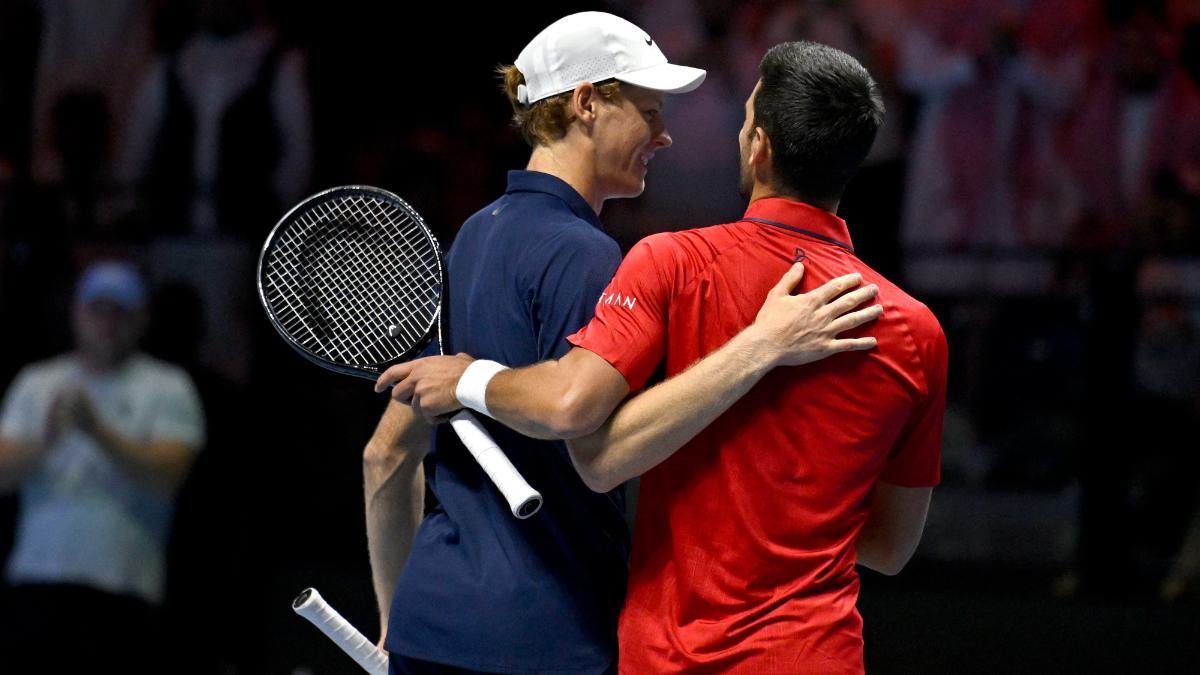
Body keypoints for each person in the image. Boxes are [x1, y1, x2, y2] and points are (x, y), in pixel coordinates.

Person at [382, 41, 947, 673]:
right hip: (816, 653)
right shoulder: (917, 331)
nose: (667, 135)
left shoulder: (670, 262)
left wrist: (469, 379)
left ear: (758, 145)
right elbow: (891, 547)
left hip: (665, 654)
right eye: (650, 112)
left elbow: (594, 453)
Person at [0, 260, 205, 674]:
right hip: (35, 582)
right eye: (98, 309)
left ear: (142, 319)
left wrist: (97, 431)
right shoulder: (35, 381)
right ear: (77, 313)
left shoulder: (168, 386)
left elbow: (167, 479)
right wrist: (47, 440)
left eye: (121, 312)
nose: (108, 322)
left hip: (124, 588)